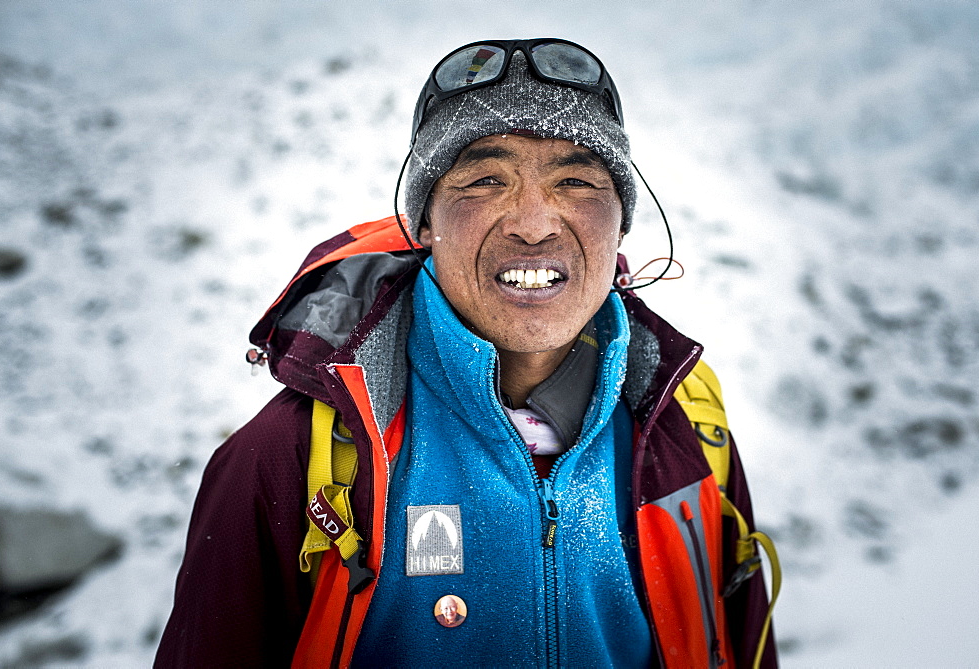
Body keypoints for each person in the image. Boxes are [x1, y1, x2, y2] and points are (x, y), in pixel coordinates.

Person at [155, 38, 777, 668]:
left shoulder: (684, 426)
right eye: (485, 179)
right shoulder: (290, 458)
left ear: (620, 224)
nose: (533, 223)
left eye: (576, 180)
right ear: (423, 223)